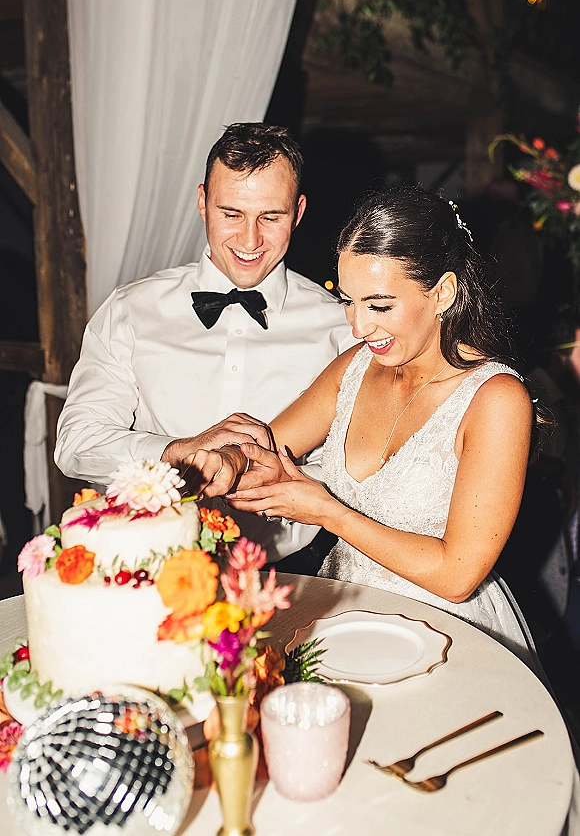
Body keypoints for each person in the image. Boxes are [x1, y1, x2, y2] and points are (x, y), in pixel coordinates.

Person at [188, 184, 541, 670]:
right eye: (347, 301)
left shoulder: (496, 400)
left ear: (442, 292)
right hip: (346, 616)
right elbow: (267, 445)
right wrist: (225, 463)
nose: (357, 327)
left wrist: (327, 511)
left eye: (378, 306)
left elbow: (458, 574)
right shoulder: (355, 366)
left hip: (451, 632)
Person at [54, 123, 354, 565]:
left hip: (293, 573)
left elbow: (354, 468)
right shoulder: (130, 311)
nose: (250, 241)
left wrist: (291, 479)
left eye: (270, 217)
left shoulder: (340, 326)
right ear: (202, 203)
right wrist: (175, 452)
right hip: (146, 566)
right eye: (231, 213)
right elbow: (76, 442)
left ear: (299, 212)